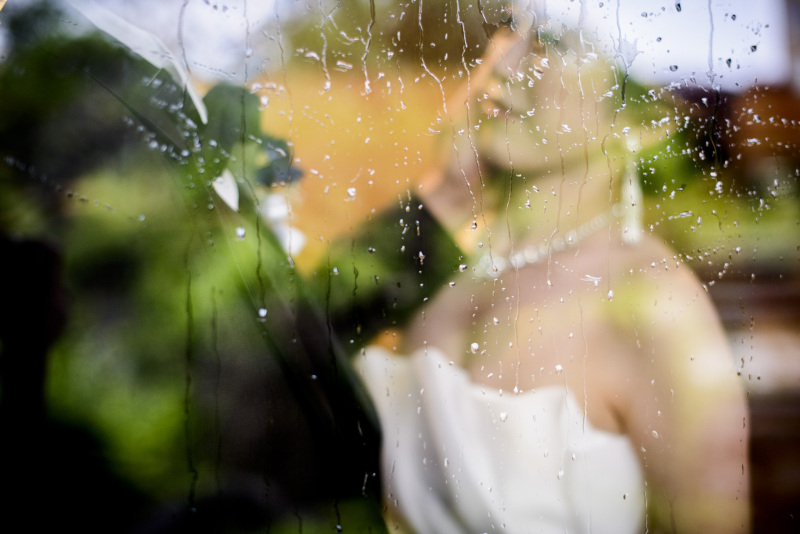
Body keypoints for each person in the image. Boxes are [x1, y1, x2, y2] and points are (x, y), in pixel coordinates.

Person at [356, 13, 750, 534]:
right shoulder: (432, 264)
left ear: (643, 117)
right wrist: (444, 191)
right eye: (506, 31)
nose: (505, 62)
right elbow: (284, 364)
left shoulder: (654, 308)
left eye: (553, 44)